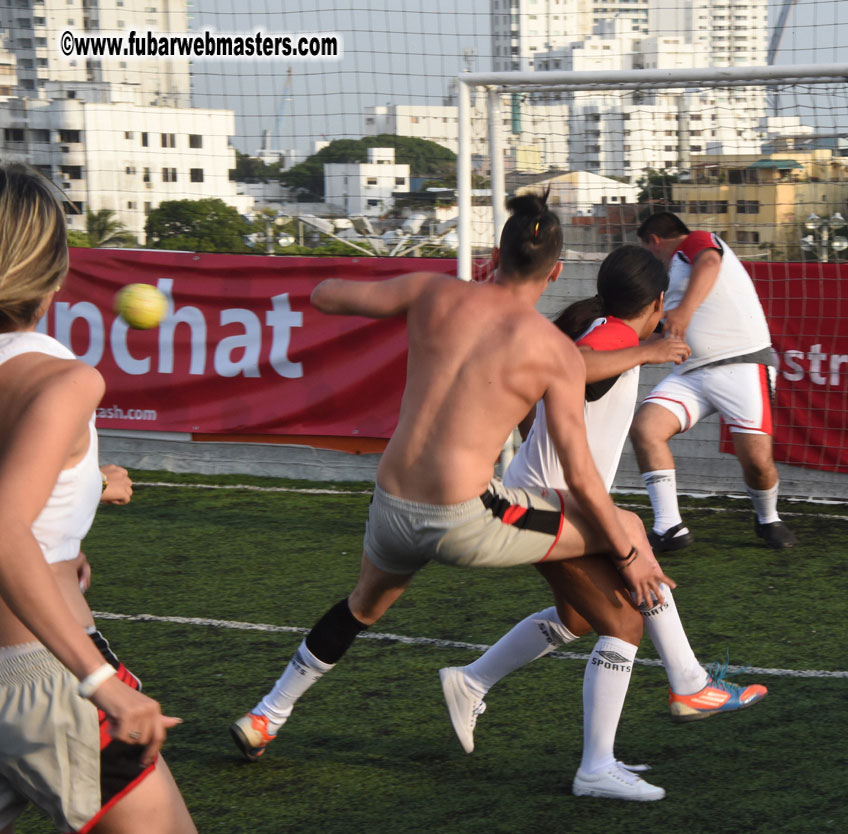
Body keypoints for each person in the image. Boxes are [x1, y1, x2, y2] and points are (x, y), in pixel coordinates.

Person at [230, 194, 674, 799]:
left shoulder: (432, 292)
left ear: (495, 254)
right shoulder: (551, 350)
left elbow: (326, 295)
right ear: (554, 272)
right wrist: (627, 552)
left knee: (362, 607)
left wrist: (396, 293)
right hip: (465, 520)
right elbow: (582, 476)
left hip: (391, 505)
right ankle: (664, 700)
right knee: (620, 524)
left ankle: (267, 714)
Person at [439, 247, 767, 799]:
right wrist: (649, 350)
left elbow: (554, 380)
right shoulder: (613, 335)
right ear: (658, 301)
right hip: (541, 505)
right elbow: (576, 364)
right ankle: (622, 744)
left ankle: (471, 681)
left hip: (542, 499)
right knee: (624, 618)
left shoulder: (604, 328)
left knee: (578, 615)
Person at [0, 162, 197, 834]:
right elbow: (5, 527)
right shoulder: (65, 381)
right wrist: (96, 680)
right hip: (42, 676)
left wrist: (81, 489)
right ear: (54, 273)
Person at [631, 212, 797, 551]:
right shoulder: (668, 279)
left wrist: (685, 310)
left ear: (654, 241)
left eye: (647, 249)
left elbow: (709, 262)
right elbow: (662, 329)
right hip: (690, 374)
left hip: (742, 365)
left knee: (756, 462)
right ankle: (669, 527)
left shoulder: (697, 242)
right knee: (645, 429)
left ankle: (768, 518)